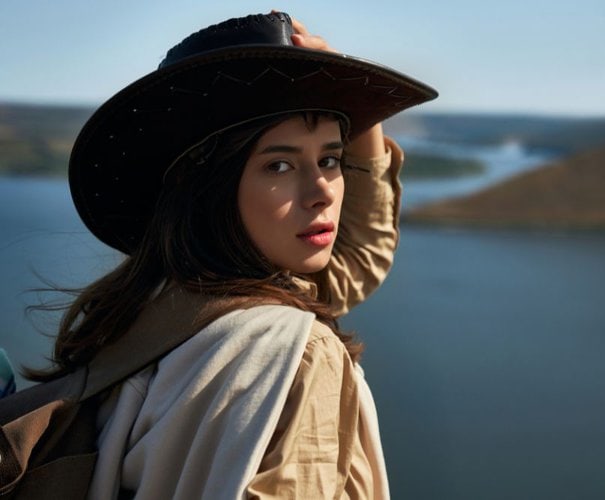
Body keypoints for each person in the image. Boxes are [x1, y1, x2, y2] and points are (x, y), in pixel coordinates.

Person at [26, 11, 436, 500]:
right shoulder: (297, 355)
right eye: (279, 165)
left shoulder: (149, 306)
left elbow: (353, 264)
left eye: (330, 159)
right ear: (209, 188)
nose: (322, 191)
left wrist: (355, 112)